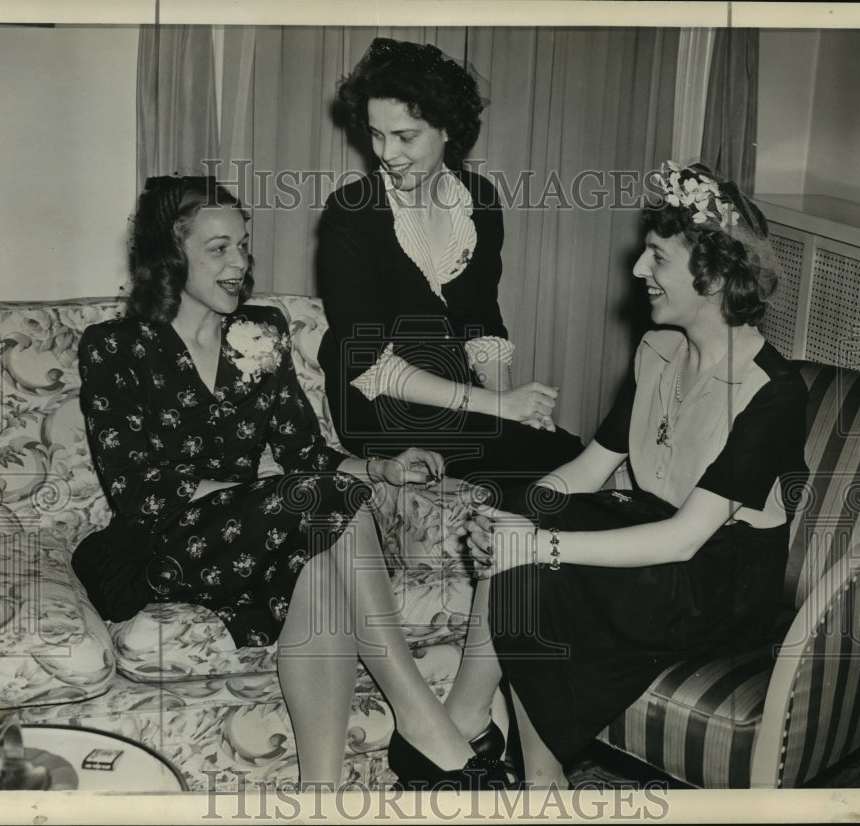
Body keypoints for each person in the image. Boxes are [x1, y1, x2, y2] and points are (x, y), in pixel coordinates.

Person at [73, 175, 510, 790]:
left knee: (324, 565)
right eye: (219, 247)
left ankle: (320, 794)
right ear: (170, 256)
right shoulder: (113, 346)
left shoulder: (262, 331)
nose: (240, 263)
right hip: (161, 542)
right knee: (319, 504)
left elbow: (304, 450)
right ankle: (420, 718)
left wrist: (381, 467)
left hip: (254, 533)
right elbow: (137, 491)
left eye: (244, 246)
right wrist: (270, 497)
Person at [460, 161, 810, 786]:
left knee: (540, 558)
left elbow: (687, 539)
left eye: (657, 257)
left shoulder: (773, 393)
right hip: (657, 537)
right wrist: (511, 517)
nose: (637, 271)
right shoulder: (659, 351)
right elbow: (590, 467)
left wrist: (540, 542)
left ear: (716, 273)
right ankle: (519, 760)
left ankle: (495, 746)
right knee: (523, 509)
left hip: (719, 579)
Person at [316, 37, 584, 490]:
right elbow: (367, 363)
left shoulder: (480, 200)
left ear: (446, 130)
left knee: (567, 455)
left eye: (405, 136)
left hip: (454, 392)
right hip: (378, 399)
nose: (386, 153)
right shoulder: (352, 211)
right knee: (537, 466)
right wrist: (497, 407)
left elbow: (482, 320)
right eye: (376, 133)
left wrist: (505, 398)